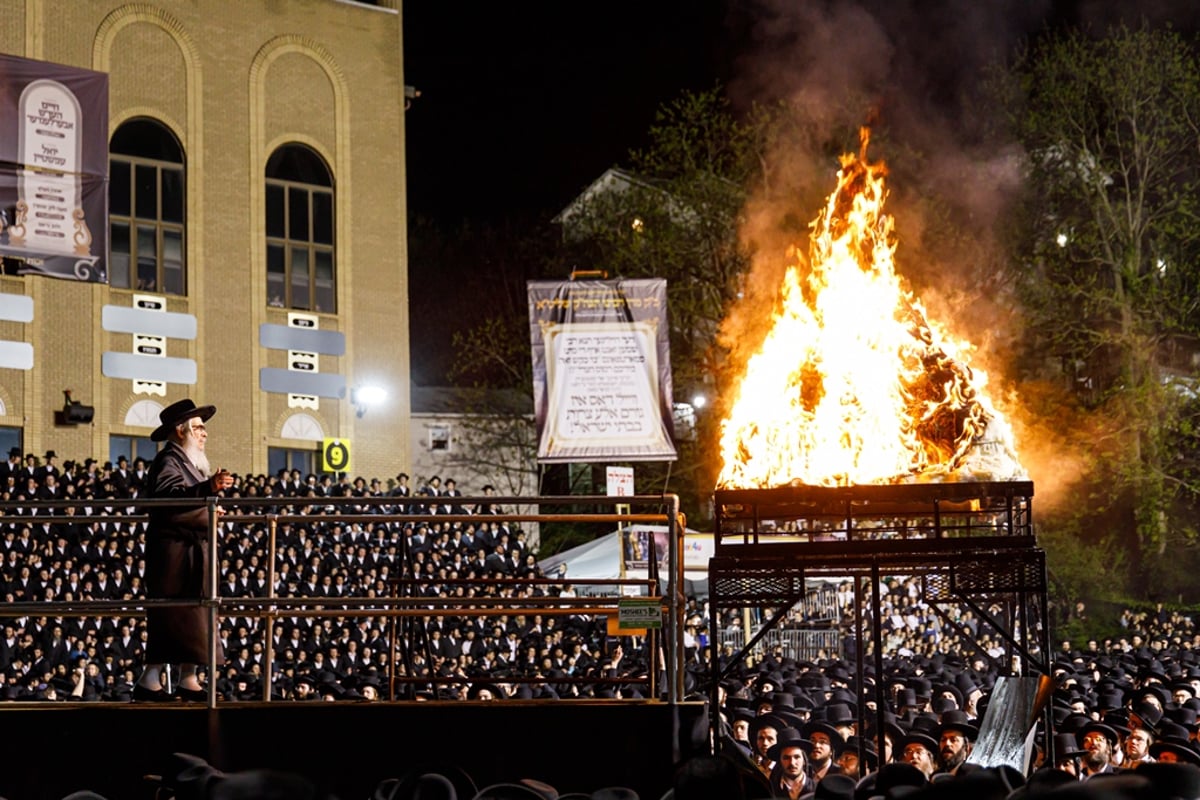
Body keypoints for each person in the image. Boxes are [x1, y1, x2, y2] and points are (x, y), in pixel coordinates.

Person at [133, 399, 233, 702]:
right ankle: (151, 681)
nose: (204, 433)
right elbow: (169, 500)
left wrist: (211, 506)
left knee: (193, 618)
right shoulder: (168, 462)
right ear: (180, 431)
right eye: (198, 427)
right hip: (174, 555)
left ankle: (188, 678)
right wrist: (207, 491)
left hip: (190, 554)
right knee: (172, 618)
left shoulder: (188, 462)